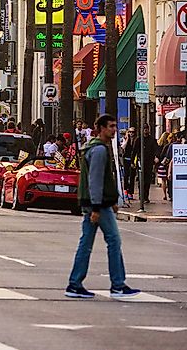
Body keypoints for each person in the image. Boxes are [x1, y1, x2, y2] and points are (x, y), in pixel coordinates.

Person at [65, 114, 139, 299]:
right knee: (114, 241)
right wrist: (97, 208)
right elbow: (96, 180)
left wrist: (111, 200)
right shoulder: (98, 150)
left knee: (86, 244)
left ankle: (75, 284)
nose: (114, 129)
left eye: (115, 126)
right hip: (97, 205)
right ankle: (118, 285)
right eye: (111, 126)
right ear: (101, 128)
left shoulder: (97, 148)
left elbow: (102, 180)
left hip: (97, 203)